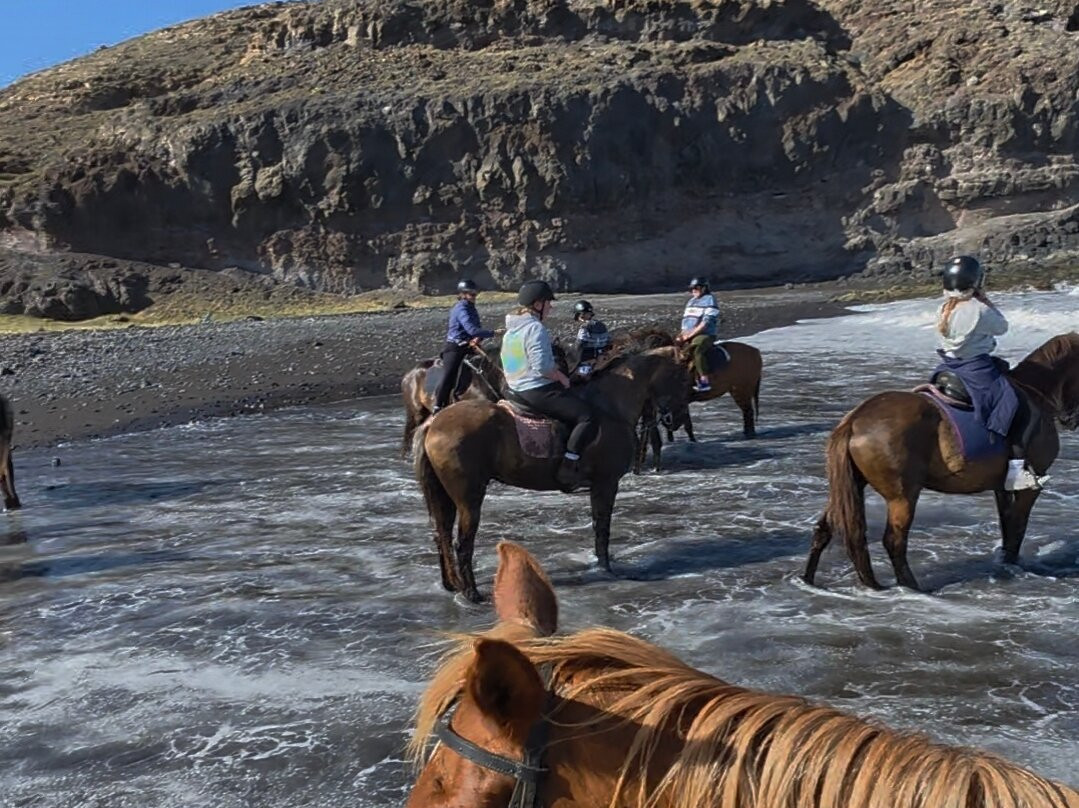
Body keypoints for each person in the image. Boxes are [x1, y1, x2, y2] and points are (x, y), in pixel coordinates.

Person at [935, 255, 1048, 490]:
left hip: (948, 365)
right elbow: (1002, 327)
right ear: (975, 282)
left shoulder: (943, 308)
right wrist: (986, 301)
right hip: (975, 367)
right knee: (1018, 406)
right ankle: (1016, 474)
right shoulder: (979, 309)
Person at [502, 280, 599, 490]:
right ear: (537, 305)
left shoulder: (511, 330)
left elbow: (509, 362)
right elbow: (542, 367)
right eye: (548, 303)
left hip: (513, 389)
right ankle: (569, 466)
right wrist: (561, 377)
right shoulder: (535, 328)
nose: (551, 307)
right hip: (535, 390)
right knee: (586, 416)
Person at [432, 279, 495, 414]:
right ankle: (438, 405)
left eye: (475, 294)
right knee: (449, 374)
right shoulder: (461, 308)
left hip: (469, 346)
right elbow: (472, 330)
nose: (474, 297)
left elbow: (475, 331)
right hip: (455, 346)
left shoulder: (471, 308)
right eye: (471, 294)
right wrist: (493, 333)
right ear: (463, 294)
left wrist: (479, 338)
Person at [675, 276, 720, 392]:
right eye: (692, 288)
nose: (694, 290)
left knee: (697, 349)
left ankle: (704, 380)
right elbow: (686, 322)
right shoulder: (691, 302)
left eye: (697, 287)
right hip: (688, 333)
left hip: (705, 334)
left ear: (704, 288)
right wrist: (681, 336)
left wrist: (689, 336)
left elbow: (705, 323)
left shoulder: (710, 299)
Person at [573, 300, 611, 376]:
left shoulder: (584, 327)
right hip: (603, 359)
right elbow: (608, 342)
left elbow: (579, 346)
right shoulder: (602, 325)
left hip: (588, 363)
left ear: (580, 315)